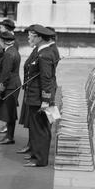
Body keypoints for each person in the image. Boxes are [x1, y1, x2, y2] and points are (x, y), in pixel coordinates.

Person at [21, 24, 59, 167]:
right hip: (34, 96)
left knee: (40, 128)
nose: (29, 37)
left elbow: (46, 79)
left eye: (31, 35)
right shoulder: (40, 52)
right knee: (36, 127)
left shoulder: (45, 55)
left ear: (39, 37)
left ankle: (40, 159)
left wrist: (45, 100)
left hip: (39, 98)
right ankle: (36, 154)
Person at [0, 30, 21, 145]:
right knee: (10, 111)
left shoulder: (9, 53)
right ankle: (9, 135)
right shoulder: (13, 51)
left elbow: (6, 73)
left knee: (9, 112)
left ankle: (10, 136)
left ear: (3, 41)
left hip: (10, 85)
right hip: (13, 84)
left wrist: (1, 86)